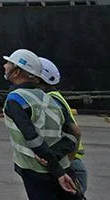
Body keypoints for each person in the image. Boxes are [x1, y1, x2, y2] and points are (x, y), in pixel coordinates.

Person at [0, 48, 79, 199]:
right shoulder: (50, 99)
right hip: (63, 167)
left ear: (16, 72)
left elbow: (33, 139)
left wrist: (57, 171)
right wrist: (57, 157)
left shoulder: (15, 100)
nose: (4, 65)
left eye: (9, 63)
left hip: (39, 173)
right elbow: (74, 134)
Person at [38, 57, 88, 194]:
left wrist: (66, 164)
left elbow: (75, 132)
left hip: (69, 164)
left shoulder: (51, 100)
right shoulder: (52, 97)